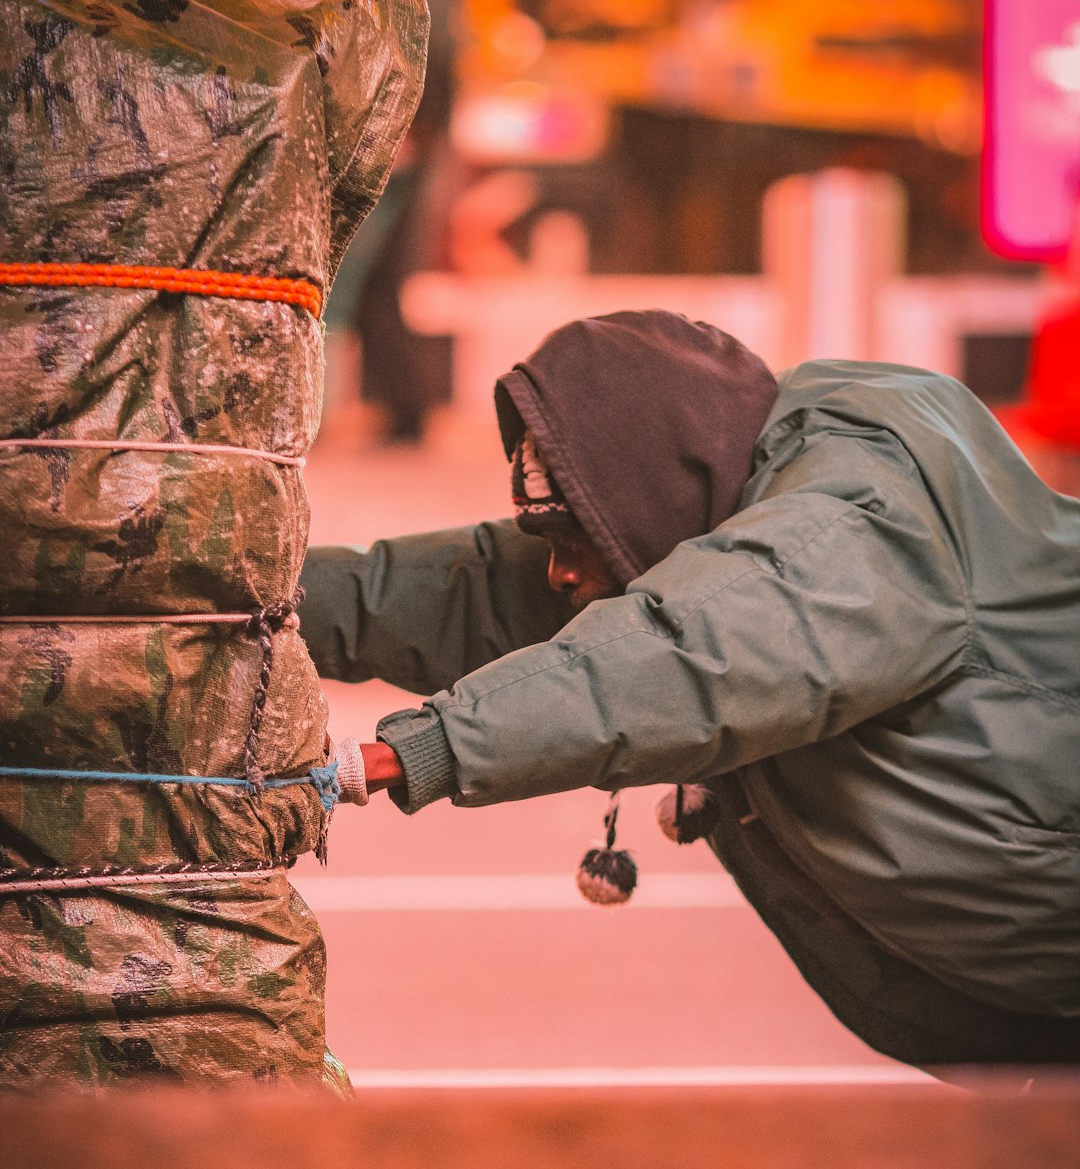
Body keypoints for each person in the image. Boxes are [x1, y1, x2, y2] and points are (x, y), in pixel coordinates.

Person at [299, 310, 1080, 1075]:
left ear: (662, 494)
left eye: (578, 538)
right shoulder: (701, 517)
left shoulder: (857, 525)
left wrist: (408, 752)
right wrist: (240, 600)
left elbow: (688, 655)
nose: (561, 574)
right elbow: (466, 594)